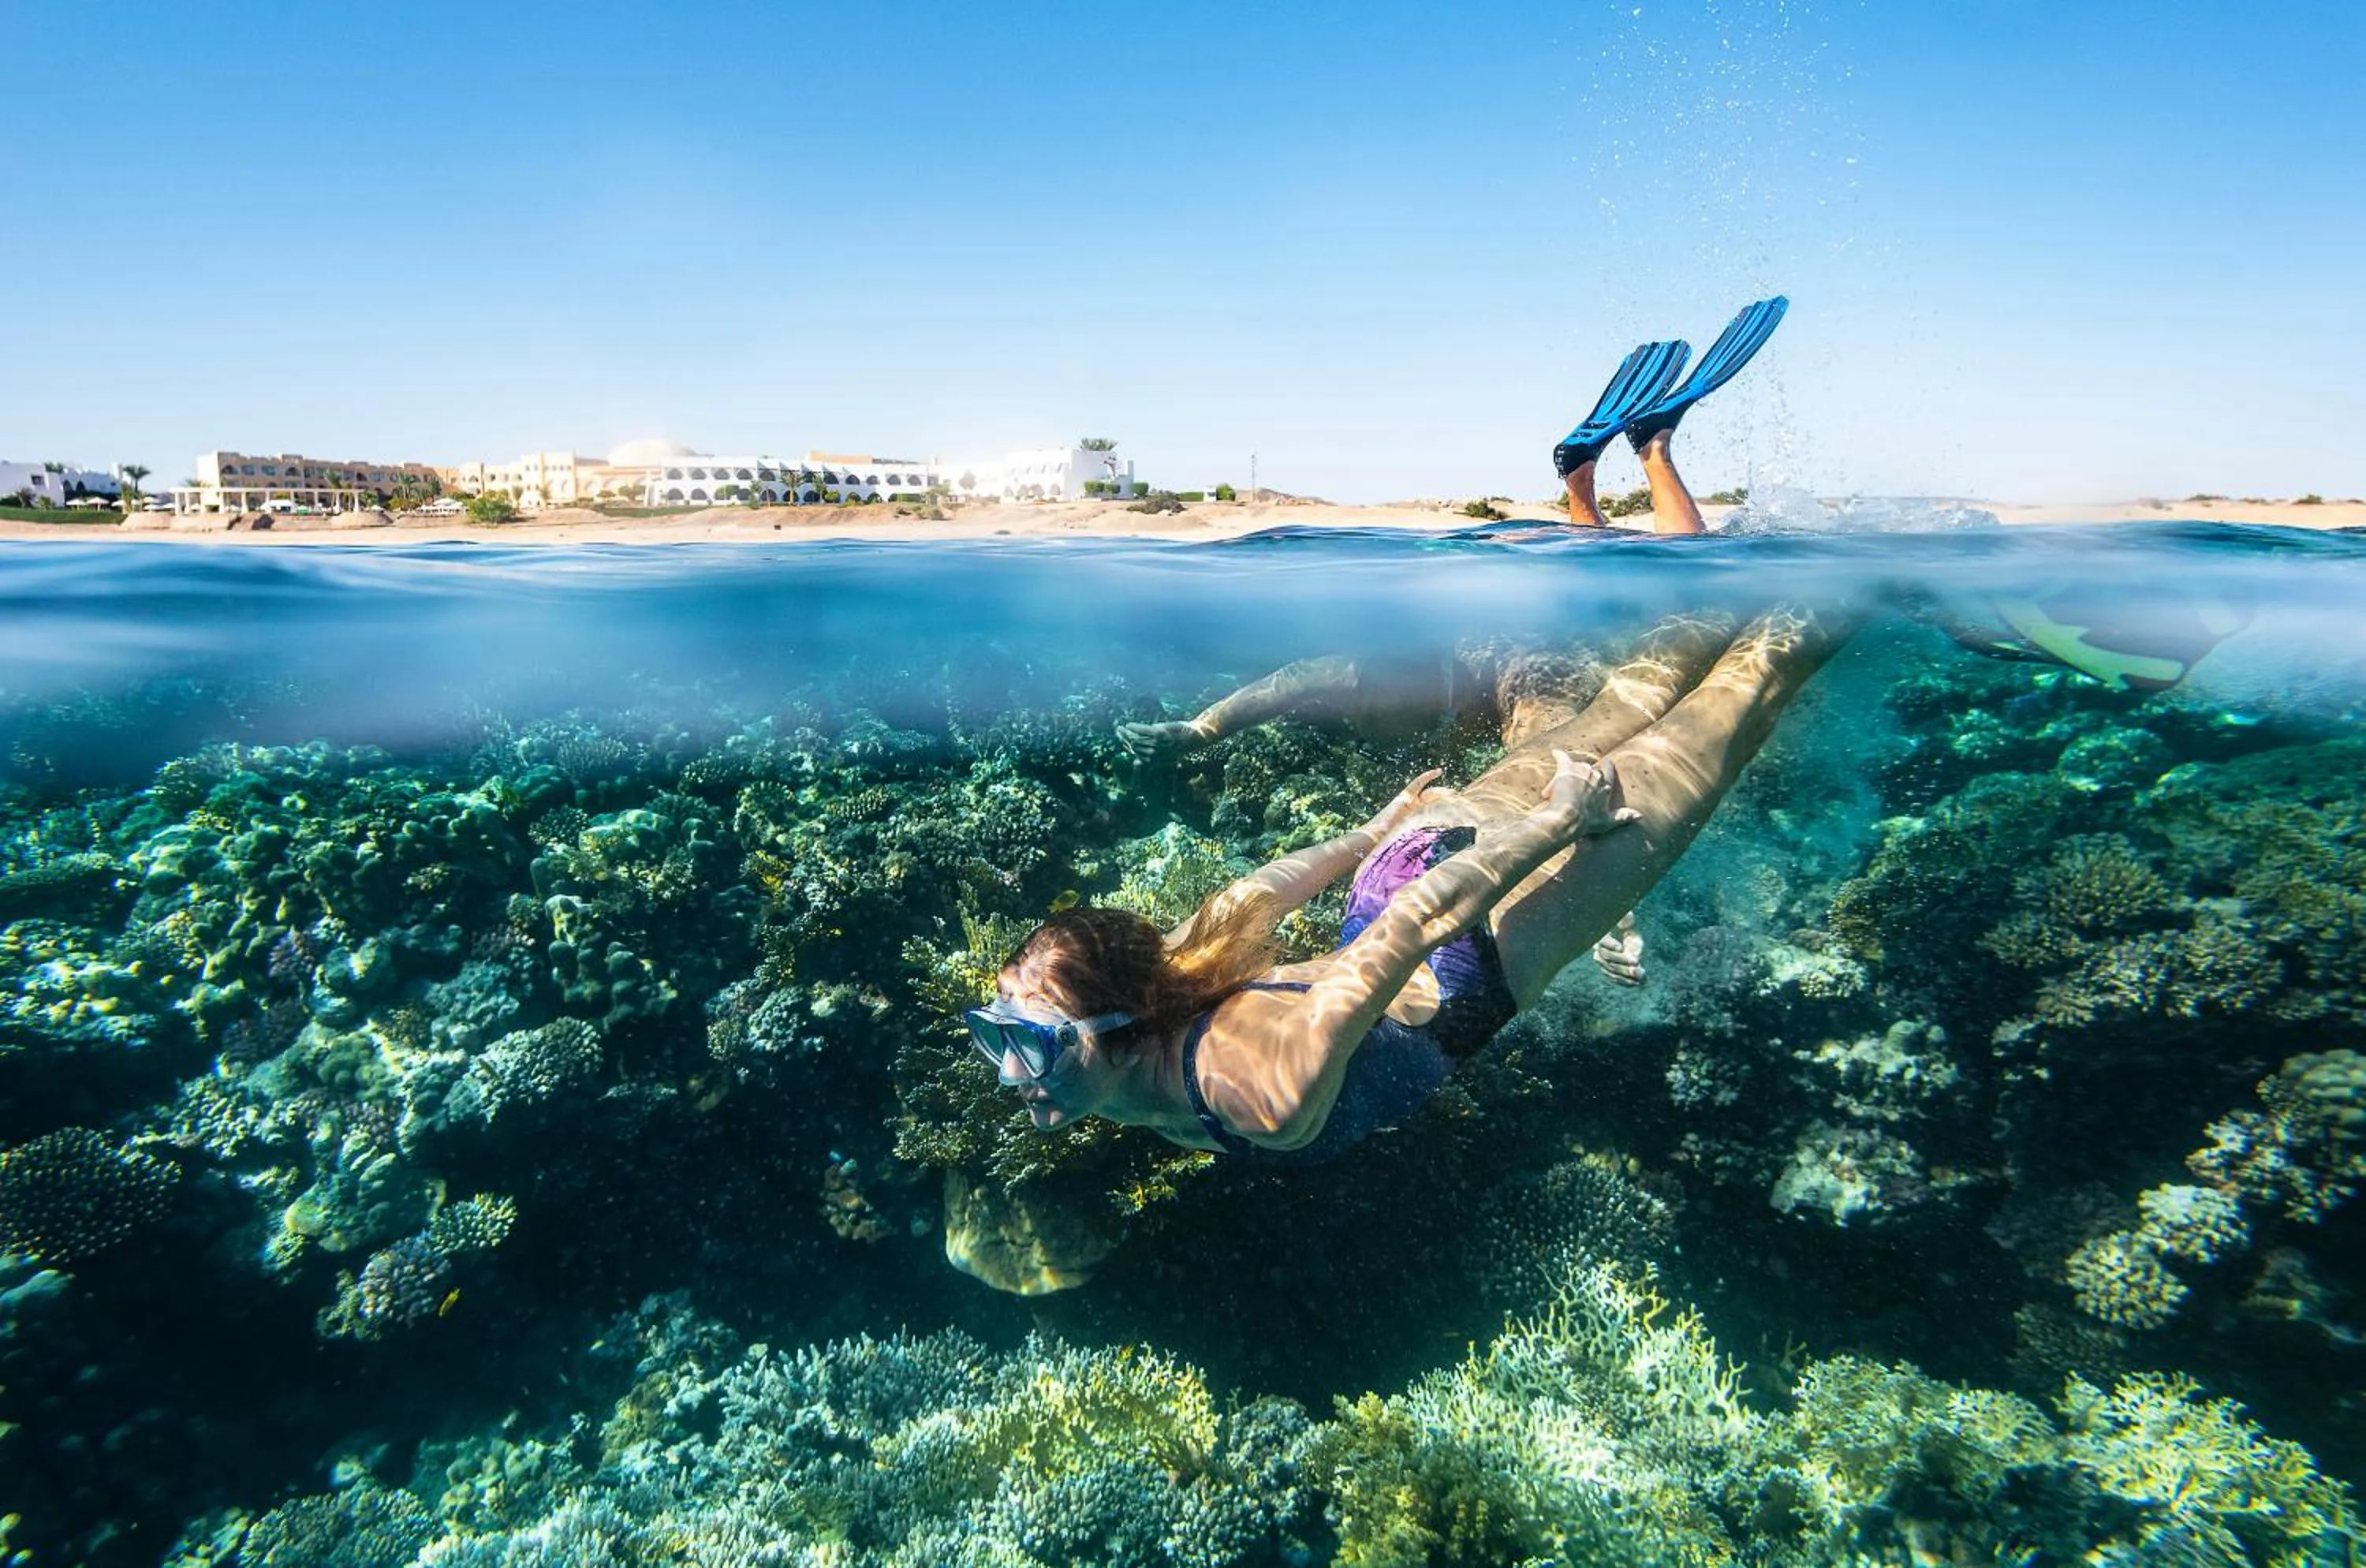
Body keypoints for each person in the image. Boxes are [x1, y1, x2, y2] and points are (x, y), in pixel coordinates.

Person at [967, 593, 1847, 1163]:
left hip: (1471, 925)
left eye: (1033, 1043)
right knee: (1627, 704)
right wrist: (1373, 831)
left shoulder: (1258, 1089)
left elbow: (1419, 927)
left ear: (1119, 1024)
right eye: (997, 1032)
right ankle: (1750, 569)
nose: (1012, 1071)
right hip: (1413, 858)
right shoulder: (1163, 987)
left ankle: (1865, 566)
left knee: (1751, 690)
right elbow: (1259, 892)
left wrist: (1556, 826)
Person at [1114, 298, 1790, 763]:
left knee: (1690, 587)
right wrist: (1197, 732)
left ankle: (1651, 449)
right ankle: (1580, 478)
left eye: (1369, 706)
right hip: (1541, 564)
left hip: (1576, 610)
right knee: (1613, 563)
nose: (1358, 703)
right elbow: (1283, 686)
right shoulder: (1373, 666)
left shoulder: (1521, 679)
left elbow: (1552, 763)